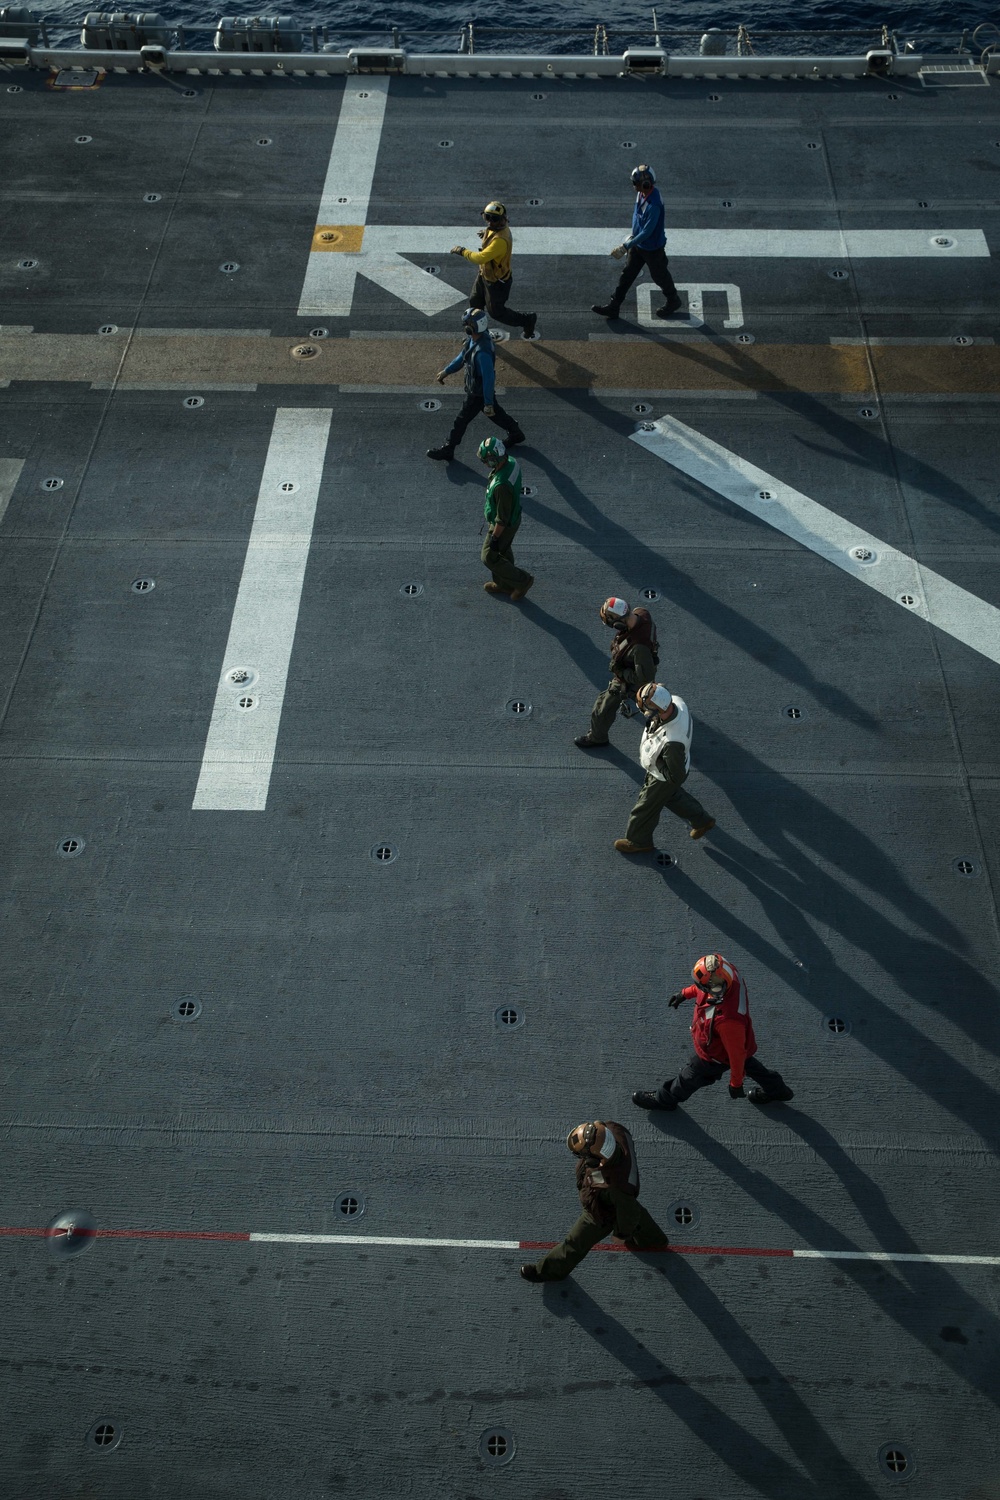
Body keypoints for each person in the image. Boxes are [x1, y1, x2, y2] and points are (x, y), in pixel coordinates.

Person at [633, 953, 795, 1112]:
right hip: (737, 1043)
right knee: (750, 1064)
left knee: (689, 1076)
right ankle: (778, 1091)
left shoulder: (728, 1021)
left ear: (716, 988)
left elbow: (736, 1055)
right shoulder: (728, 975)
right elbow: (703, 988)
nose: (701, 988)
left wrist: (736, 1084)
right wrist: (685, 993)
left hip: (715, 1056)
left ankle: (665, 1099)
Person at [519, 1120, 670, 1282]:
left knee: (574, 1243)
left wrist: (621, 1235)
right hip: (621, 1199)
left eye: (584, 1155)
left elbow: (628, 1212)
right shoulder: (615, 1131)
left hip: (601, 1213)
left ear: (598, 1158)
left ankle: (547, 1271)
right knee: (641, 1222)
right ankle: (655, 1241)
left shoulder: (612, 1184)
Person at [614, 682, 715, 854]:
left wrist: (658, 762)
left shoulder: (672, 742)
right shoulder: (676, 702)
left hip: (662, 777)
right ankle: (702, 820)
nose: (644, 712)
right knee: (671, 796)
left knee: (644, 808)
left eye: (645, 709)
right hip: (675, 765)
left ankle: (638, 841)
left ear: (657, 710)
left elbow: (675, 777)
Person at [427, 306, 524, 462]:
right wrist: (447, 371)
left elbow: (488, 378)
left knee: (461, 420)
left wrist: (488, 402)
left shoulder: (482, 352)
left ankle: (449, 448)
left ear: (470, 327)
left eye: (466, 325)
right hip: (478, 391)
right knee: (496, 415)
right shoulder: (475, 339)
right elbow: (463, 356)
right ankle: (515, 433)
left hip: (477, 393)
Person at [592, 164, 683, 321]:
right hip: (638, 244)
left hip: (653, 248)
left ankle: (673, 300)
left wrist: (625, 246)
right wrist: (632, 238)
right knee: (626, 275)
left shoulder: (654, 204)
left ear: (645, 184)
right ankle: (614, 306)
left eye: (635, 183)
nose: (633, 185)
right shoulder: (641, 195)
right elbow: (637, 216)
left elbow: (648, 232)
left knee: (660, 276)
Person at [575, 596, 659, 750]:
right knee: (655, 707)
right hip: (637, 667)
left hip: (631, 679)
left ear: (620, 622)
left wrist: (621, 672)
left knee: (602, 709)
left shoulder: (639, 647)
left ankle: (597, 738)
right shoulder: (641, 613)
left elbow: (645, 678)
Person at [450, 200, 537, 339]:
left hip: (497, 282)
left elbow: (480, 258)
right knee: (475, 303)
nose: (490, 222)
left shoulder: (500, 241)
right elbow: (491, 232)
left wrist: (462, 251)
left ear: (503, 219)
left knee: (497, 312)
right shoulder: (495, 228)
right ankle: (479, 335)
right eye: (487, 217)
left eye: (494, 218)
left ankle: (527, 320)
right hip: (484, 274)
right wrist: (485, 233)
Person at [478, 435, 533, 600]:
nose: (486, 464)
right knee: (503, 550)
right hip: (514, 517)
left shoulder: (501, 486)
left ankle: (522, 581)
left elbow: (502, 518)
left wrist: (495, 537)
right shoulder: (511, 463)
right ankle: (504, 585)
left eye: (487, 461)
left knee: (489, 556)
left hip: (503, 524)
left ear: (495, 459)